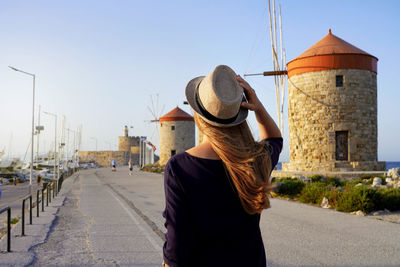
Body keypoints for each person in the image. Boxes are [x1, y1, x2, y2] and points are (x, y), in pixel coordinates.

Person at [162, 65, 282, 267]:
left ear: (199, 116)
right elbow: (274, 138)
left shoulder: (179, 167)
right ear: (240, 113)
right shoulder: (256, 159)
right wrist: (258, 106)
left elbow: (177, 247)